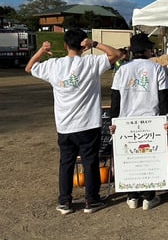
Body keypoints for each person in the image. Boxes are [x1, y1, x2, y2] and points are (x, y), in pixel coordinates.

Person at [25, 28, 121, 215]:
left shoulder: (54, 65)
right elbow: (116, 54)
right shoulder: (91, 62)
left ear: (65, 45)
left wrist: (41, 51)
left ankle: (65, 202)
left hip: (65, 124)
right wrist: (95, 44)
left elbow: (29, 68)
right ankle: (91, 200)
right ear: (84, 46)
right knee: (90, 162)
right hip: (88, 123)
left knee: (66, 163)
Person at [110, 33, 168, 210]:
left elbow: (115, 98)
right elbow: (163, 96)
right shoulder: (157, 69)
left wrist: (113, 121)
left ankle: (132, 196)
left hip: (126, 121)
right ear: (146, 50)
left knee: (130, 157)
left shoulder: (122, 69)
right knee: (149, 158)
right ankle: (148, 197)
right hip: (151, 119)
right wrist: (167, 118)